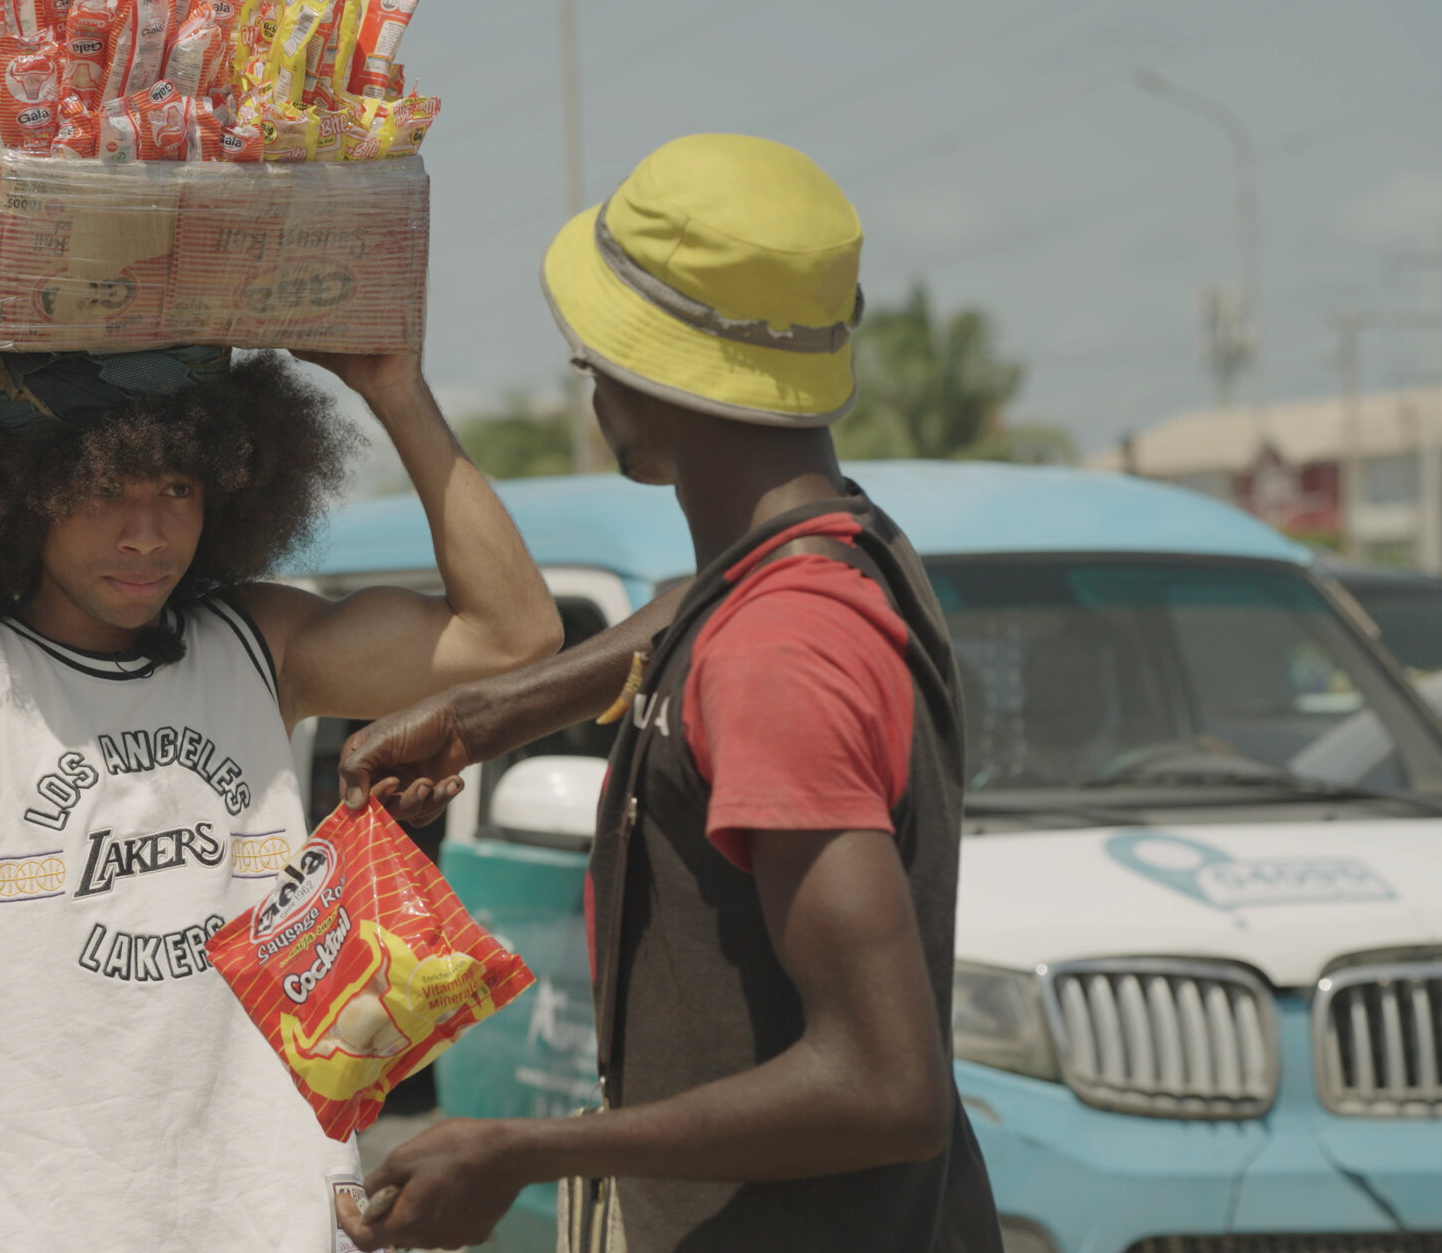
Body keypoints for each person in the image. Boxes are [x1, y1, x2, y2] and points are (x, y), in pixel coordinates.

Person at [0, 174, 562, 1252]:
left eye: (178, 490)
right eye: (106, 490)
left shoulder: (261, 646)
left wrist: (396, 392)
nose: (147, 533)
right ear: (15, 492)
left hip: (279, 1226)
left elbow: (511, 636)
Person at [333, 134, 1001, 1253]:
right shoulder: (832, 546)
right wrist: (484, 717)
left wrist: (519, 1151)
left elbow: (885, 1085)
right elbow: (702, 601)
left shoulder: (772, 660)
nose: (588, 381)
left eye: (592, 359)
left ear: (644, 376)